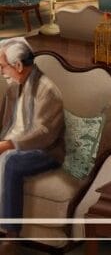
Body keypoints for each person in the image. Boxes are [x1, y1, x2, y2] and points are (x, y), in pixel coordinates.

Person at [0, 38, 65, 239]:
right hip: (13, 142)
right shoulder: (13, 87)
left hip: (45, 151)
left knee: (10, 161)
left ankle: (11, 233)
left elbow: (44, 134)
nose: (1, 71)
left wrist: (9, 144)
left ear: (18, 66)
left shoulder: (47, 90)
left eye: (3, 66)